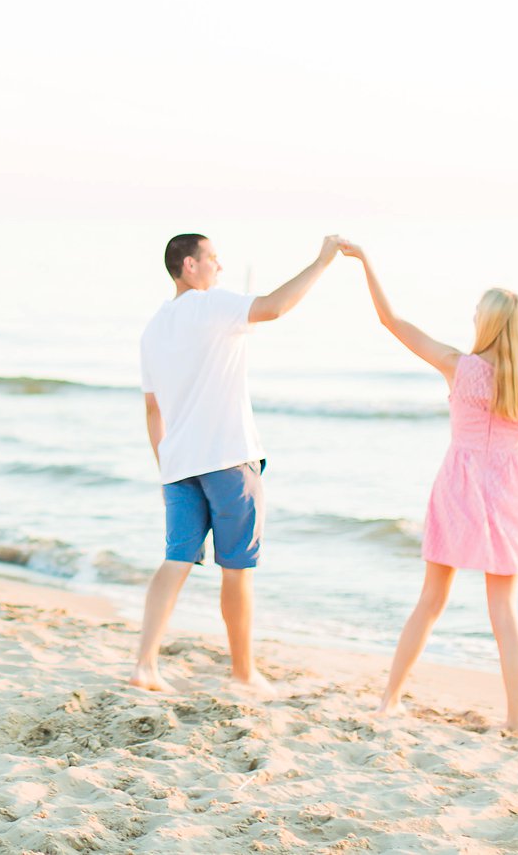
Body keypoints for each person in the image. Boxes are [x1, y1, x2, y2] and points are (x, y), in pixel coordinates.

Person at [337, 241, 518, 735]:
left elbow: (393, 322)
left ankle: (389, 700)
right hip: (509, 488)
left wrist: (367, 262)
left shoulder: (457, 365)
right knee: (504, 611)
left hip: (460, 485)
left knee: (431, 600)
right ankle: (516, 721)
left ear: (486, 323)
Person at [130, 231, 344, 697]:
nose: (219, 267)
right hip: (228, 455)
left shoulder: (153, 328)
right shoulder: (212, 305)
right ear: (189, 265)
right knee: (237, 569)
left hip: (179, 463)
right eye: (213, 259)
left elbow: (153, 409)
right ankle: (244, 673)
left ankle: (145, 664)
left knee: (175, 560)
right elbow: (274, 306)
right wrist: (322, 261)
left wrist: (164, 464)